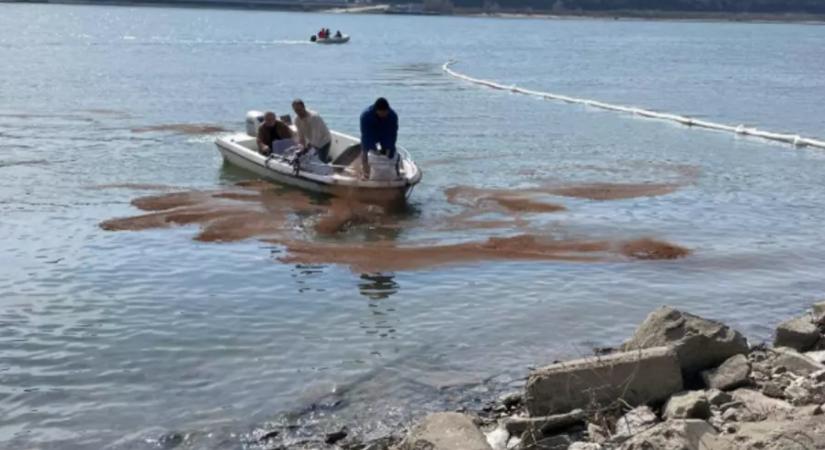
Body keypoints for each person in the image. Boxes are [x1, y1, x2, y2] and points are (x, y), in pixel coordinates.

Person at [359, 97, 398, 178]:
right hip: (372, 132)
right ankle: (366, 172)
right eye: (381, 113)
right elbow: (367, 136)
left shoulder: (393, 116)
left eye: (385, 112)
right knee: (366, 150)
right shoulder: (366, 116)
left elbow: (392, 134)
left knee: (391, 151)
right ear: (376, 110)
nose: (383, 114)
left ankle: (395, 172)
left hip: (385, 131)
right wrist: (374, 150)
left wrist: (388, 148)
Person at [291, 99, 332, 163]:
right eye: (296, 110)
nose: (298, 112)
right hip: (312, 140)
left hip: (324, 140)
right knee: (306, 155)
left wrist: (306, 149)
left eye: (299, 110)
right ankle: (327, 158)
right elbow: (301, 136)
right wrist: (301, 147)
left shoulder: (314, 118)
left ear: (303, 107)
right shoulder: (297, 120)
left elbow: (316, 137)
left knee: (321, 161)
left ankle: (326, 161)